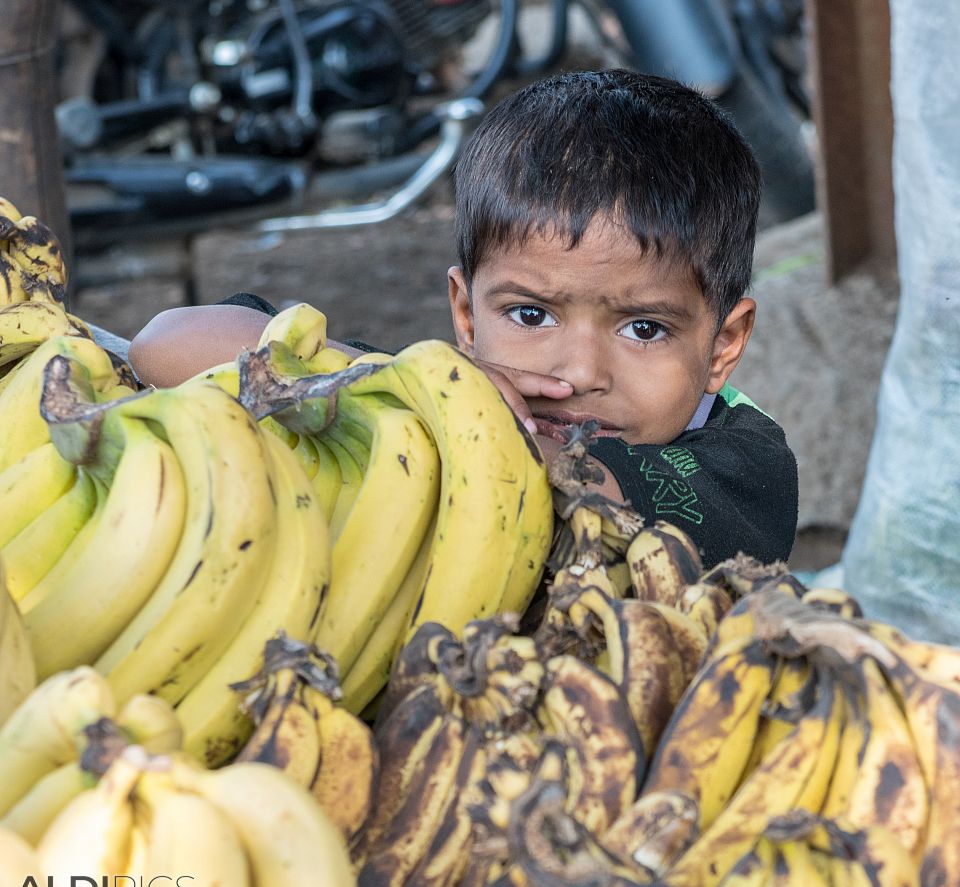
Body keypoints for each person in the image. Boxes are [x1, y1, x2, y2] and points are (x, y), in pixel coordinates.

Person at [129, 69, 798, 568]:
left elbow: (579, 485)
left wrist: (480, 427)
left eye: (644, 328)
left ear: (723, 344)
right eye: (532, 314)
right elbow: (165, 347)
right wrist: (385, 385)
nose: (580, 371)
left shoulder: (743, 464)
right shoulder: (413, 392)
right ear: (467, 317)